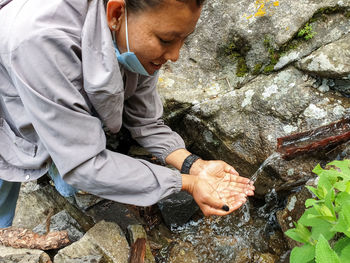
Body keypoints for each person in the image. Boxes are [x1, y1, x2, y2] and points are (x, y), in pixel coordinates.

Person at [0, 0, 255, 228]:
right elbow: (84, 163)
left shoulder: (132, 40)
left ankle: (70, 201)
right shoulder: (41, 39)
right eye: (166, 40)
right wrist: (186, 183)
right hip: (7, 114)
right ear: (116, 13)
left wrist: (194, 166)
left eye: (183, 39)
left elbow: (144, 119)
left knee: (72, 175)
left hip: (57, 109)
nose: (175, 56)